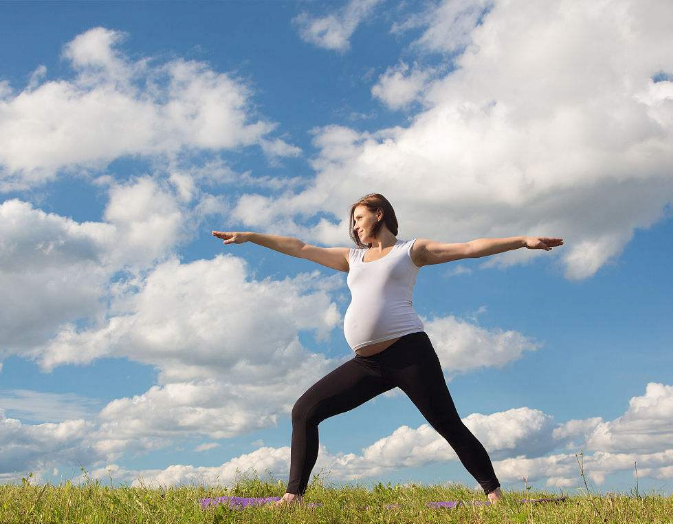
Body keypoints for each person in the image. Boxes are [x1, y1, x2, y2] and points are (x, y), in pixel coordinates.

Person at [211, 193, 563, 508]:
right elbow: (299, 247)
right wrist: (251, 236)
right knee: (304, 411)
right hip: (367, 364)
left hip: (410, 353)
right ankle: (293, 498)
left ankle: (494, 495)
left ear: (378, 214)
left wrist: (521, 241)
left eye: (359, 218)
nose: (354, 226)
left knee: (447, 423)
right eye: (353, 222)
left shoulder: (410, 251)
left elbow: (470, 247)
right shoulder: (352, 258)